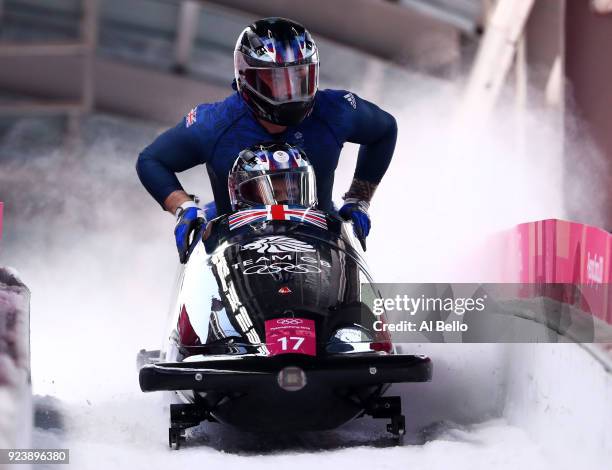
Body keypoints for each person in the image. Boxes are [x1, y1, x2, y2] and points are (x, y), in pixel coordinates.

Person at [136, 17, 397, 263]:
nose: (291, 92)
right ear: (246, 78)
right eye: (276, 81)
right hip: (234, 251)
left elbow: (384, 130)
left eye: (299, 77)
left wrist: (358, 199)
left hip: (319, 244)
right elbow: (152, 160)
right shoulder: (214, 122)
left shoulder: (336, 109)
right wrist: (184, 208)